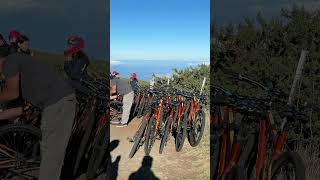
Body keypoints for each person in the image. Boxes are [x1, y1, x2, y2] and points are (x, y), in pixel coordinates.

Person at [0, 52, 76, 180]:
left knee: (51, 154)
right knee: (48, 151)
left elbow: (11, 93)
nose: (3, 78)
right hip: (55, 103)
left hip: (59, 103)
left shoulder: (10, 62)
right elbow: (21, 110)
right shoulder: (21, 66)